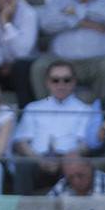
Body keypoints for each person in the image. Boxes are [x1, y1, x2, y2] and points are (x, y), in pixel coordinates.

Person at [13, 58, 99, 192]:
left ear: (74, 82)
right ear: (47, 82)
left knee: (76, 166)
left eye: (66, 80)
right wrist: (39, 160)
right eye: (55, 80)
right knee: (23, 165)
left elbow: (85, 145)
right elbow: (21, 142)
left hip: (68, 160)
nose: (61, 84)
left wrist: (65, 160)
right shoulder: (33, 108)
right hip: (37, 159)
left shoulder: (85, 109)